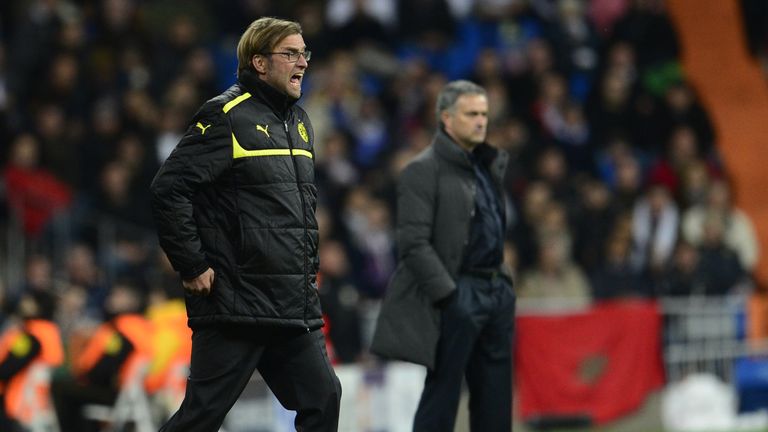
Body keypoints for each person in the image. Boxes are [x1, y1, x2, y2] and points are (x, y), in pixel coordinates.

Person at [150, 17, 341, 432]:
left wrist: (307, 273)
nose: (303, 62)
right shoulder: (225, 116)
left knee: (324, 398)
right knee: (202, 417)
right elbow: (168, 189)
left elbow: (297, 211)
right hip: (236, 304)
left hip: (290, 303)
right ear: (259, 62)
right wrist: (192, 264)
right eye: (290, 53)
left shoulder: (300, 122)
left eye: (304, 53)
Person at [371, 80, 515, 432]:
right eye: (471, 114)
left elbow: (492, 231)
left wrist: (504, 285)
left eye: (484, 114)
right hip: (457, 291)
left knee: (496, 398)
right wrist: (450, 297)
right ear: (447, 119)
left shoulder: (488, 165)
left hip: (494, 289)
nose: (481, 121)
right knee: (443, 395)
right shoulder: (422, 169)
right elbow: (413, 244)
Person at [0, 290, 63, 432]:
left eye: (28, 300)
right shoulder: (48, 331)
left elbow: (7, 368)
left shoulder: (32, 336)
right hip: (34, 403)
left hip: (15, 402)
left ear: (37, 306)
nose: (23, 303)